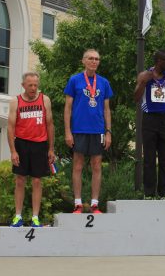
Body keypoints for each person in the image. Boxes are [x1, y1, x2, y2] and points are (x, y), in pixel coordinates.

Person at [64, 49, 113, 214]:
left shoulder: (104, 82)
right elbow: (68, 108)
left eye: (97, 59)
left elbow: (107, 109)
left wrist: (108, 132)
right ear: (83, 61)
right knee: (77, 165)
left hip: (98, 130)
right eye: (91, 58)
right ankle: (77, 203)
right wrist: (67, 132)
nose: (94, 61)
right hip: (79, 129)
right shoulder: (74, 80)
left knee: (97, 166)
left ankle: (94, 204)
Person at [134, 49, 165, 199]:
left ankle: (163, 193)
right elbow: (136, 97)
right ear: (159, 61)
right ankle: (149, 193)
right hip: (150, 119)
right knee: (149, 158)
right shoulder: (145, 75)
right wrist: (144, 83)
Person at [7, 72, 55, 227]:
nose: (33, 88)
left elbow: (50, 125)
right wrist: (13, 151)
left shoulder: (45, 100)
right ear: (23, 85)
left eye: (35, 85)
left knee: (36, 181)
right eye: (30, 85)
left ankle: (35, 217)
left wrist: (51, 149)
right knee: (20, 180)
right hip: (21, 144)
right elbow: (10, 126)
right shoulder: (16, 101)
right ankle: (18, 216)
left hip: (40, 144)